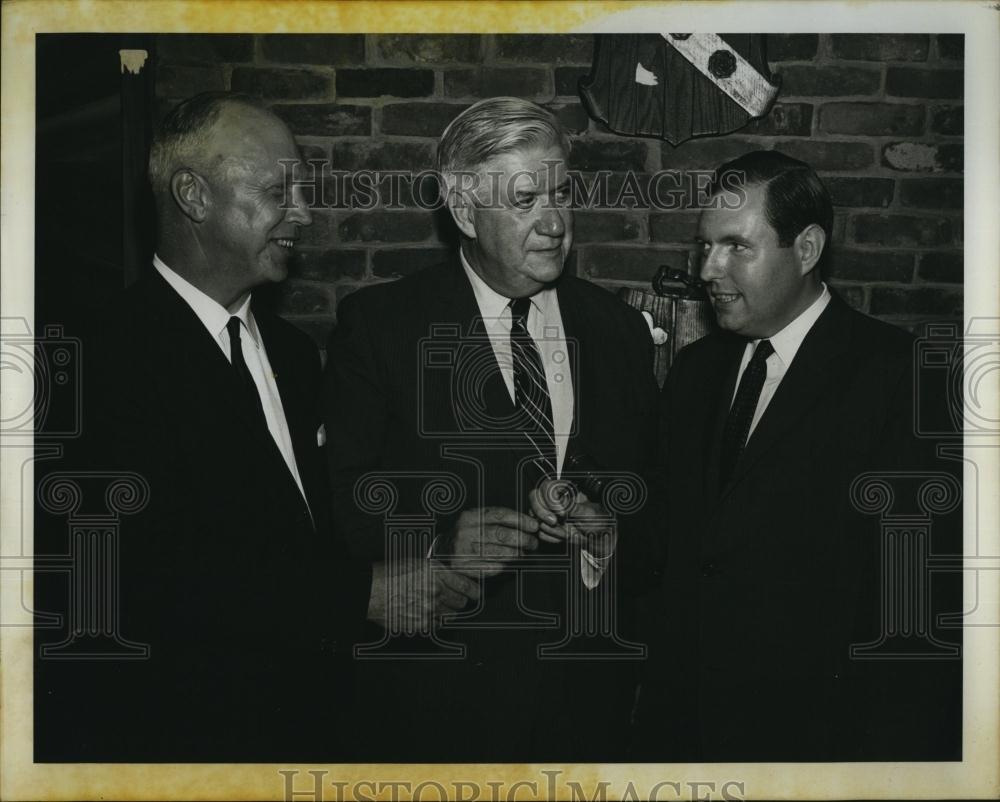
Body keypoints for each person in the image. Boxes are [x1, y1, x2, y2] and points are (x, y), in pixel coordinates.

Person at [34, 92, 373, 762]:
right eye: (279, 190)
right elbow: (135, 577)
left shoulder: (295, 356)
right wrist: (360, 597)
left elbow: (295, 534)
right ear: (192, 195)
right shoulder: (94, 360)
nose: (303, 213)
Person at [323, 97, 659, 761]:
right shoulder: (382, 327)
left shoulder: (618, 333)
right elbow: (344, 500)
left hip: (586, 705)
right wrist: (439, 543)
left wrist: (606, 531)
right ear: (463, 207)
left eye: (562, 192)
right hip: (438, 706)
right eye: (526, 198)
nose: (555, 222)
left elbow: (657, 509)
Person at [632, 150, 962, 761]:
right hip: (683, 734)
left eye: (737, 246)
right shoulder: (695, 370)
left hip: (818, 743)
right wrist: (604, 535)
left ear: (806, 249)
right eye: (704, 246)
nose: (709, 268)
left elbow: (918, 604)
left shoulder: (900, 375)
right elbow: (673, 545)